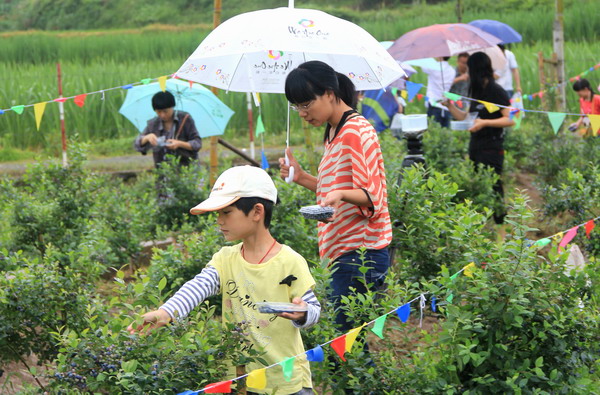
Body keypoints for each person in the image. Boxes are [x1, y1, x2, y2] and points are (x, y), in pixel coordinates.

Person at [128, 166, 320, 395]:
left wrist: (304, 313)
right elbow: (198, 286)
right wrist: (166, 313)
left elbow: (314, 310)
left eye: (226, 212)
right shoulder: (225, 259)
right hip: (240, 379)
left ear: (257, 212)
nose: (219, 221)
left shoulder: (290, 261)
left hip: (287, 382)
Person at [278, 61, 392, 345]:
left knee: (346, 345)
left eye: (306, 104)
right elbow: (333, 189)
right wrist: (302, 176)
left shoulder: (355, 130)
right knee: (347, 343)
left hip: (360, 252)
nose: (303, 114)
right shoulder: (333, 131)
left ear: (329, 93)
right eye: (297, 107)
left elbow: (372, 195)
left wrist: (340, 194)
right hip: (342, 250)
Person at [443, 52, 515, 225]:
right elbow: (465, 117)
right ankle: (480, 224)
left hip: (492, 146)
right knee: (477, 185)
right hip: (475, 145)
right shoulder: (475, 91)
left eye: (469, 68)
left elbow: (510, 119)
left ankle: (500, 226)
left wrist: (484, 123)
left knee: (495, 187)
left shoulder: (496, 91)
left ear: (476, 69)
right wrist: (449, 105)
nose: (466, 71)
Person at [134, 91, 202, 167]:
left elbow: (197, 143)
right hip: (163, 171)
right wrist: (146, 138)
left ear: (172, 107)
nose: (162, 115)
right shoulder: (153, 124)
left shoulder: (185, 119)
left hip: (187, 170)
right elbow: (137, 145)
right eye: (159, 112)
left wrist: (179, 143)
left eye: (165, 111)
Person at [421, 56, 457, 128]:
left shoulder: (434, 67)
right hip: (446, 107)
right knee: (445, 135)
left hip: (434, 106)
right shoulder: (452, 70)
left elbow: (423, 65)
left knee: (433, 133)